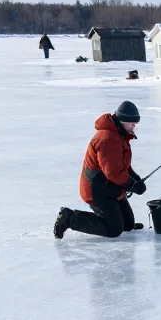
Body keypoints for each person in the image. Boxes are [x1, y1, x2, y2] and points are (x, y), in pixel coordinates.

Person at [53, 101, 147, 240]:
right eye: (132, 122)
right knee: (114, 229)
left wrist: (134, 177)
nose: (134, 125)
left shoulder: (119, 135)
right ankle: (69, 218)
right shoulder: (108, 139)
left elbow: (122, 165)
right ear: (122, 121)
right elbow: (112, 172)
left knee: (127, 225)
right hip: (98, 190)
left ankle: (117, 220)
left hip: (111, 187)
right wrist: (131, 185)